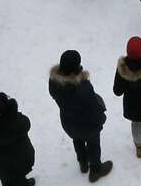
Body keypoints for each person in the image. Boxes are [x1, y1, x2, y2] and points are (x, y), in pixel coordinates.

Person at [50, 49, 115, 181]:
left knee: (77, 139)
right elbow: (94, 109)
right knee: (93, 143)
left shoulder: (54, 82)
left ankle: (83, 163)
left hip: (68, 123)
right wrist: (101, 120)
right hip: (87, 126)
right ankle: (96, 169)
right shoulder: (83, 87)